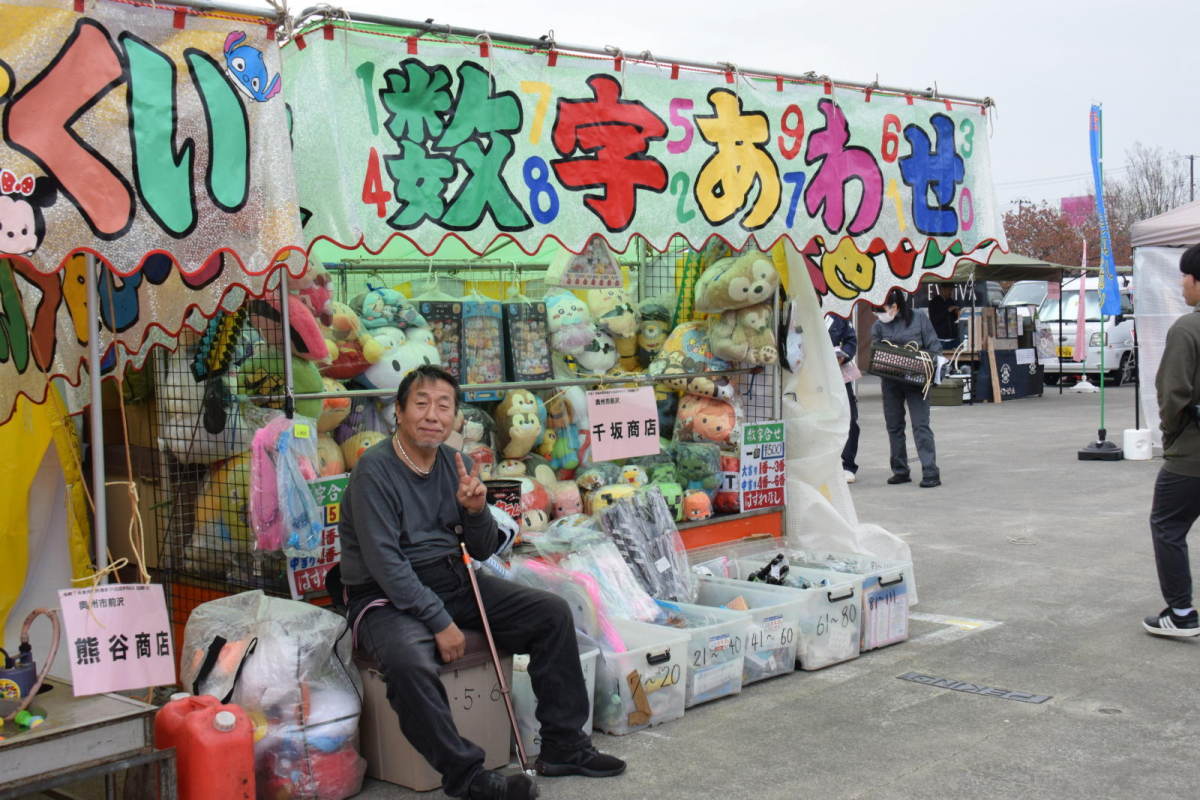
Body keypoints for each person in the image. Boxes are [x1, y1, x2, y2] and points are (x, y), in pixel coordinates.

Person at [338, 365, 626, 799]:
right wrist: (439, 621)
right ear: (398, 410)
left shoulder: (457, 464)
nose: (432, 415)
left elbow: (485, 548)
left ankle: (564, 746)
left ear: (455, 417)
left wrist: (476, 510)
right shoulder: (374, 471)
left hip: (452, 578)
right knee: (408, 660)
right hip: (385, 596)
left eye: (443, 406)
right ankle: (468, 778)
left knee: (551, 614)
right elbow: (386, 563)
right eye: (421, 403)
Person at [1144, 243, 1200, 637]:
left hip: (1192, 454)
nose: (1182, 284)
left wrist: (1171, 436)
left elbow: (1172, 394)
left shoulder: (1187, 329)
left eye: (1185, 276)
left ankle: (1181, 613)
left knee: (1167, 524)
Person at [871, 288, 942, 488]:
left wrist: (932, 372)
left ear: (894, 306)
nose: (880, 315)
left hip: (916, 381)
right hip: (890, 382)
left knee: (920, 425)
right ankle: (900, 470)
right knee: (894, 426)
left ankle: (930, 471)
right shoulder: (878, 326)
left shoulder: (919, 318)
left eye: (882, 310)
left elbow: (934, 347)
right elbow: (875, 354)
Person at [826, 311, 860, 483]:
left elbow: (851, 340)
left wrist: (843, 356)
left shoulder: (838, 315)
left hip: (839, 374)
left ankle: (848, 465)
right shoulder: (803, 313)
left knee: (849, 419)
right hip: (812, 375)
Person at [926, 283, 961, 349]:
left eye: (951, 291)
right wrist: (947, 311)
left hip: (952, 338)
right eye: (949, 291)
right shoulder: (934, 302)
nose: (950, 293)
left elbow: (953, 319)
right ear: (942, 289)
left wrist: (955, 313)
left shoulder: (950, 301)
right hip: (941, 339)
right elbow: (934, 319)